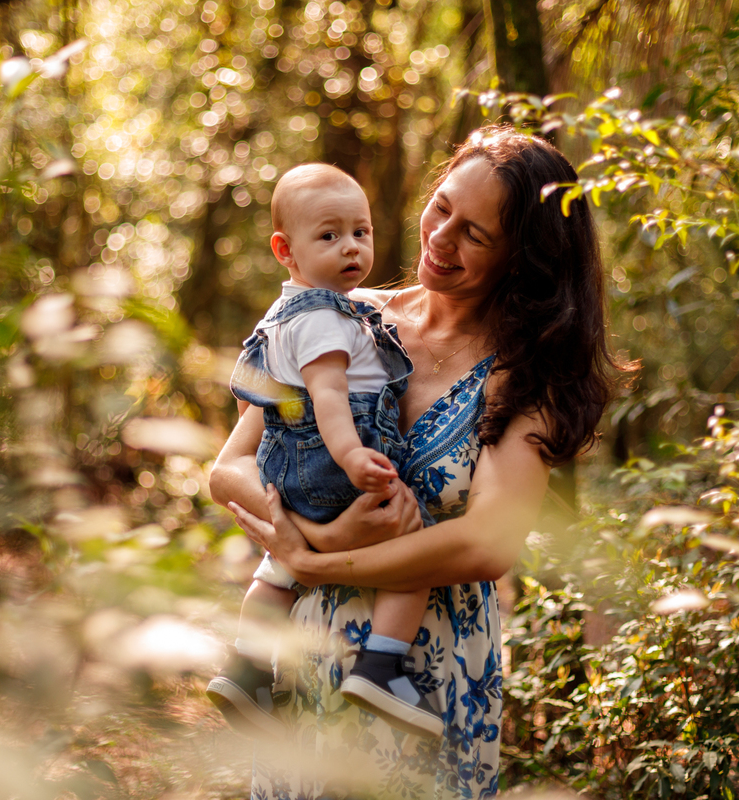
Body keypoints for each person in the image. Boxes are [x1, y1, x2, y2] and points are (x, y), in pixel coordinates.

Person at [212, 125, 632, 799]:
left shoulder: (527, 375)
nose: (441, 238)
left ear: (522, 257)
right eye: (442, 208)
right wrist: (320, 541)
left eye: (476, 234)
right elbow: (231, 468)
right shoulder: (339, 318)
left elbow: (485, 544)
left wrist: (319, 563)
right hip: (302, 662)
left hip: (423, 682)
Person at [206, 164, 444, 742]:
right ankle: (381, 668)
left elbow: (262, 410)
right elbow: (331, 399)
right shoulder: (323, 320)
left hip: (289, 477)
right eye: (329, 235)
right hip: (337, 467)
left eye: (359, 233)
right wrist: (352, 457)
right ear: (285, 250)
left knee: (277, 569)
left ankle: (246, 666)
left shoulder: (284, 315)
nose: (351, 248)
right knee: (413, 558)